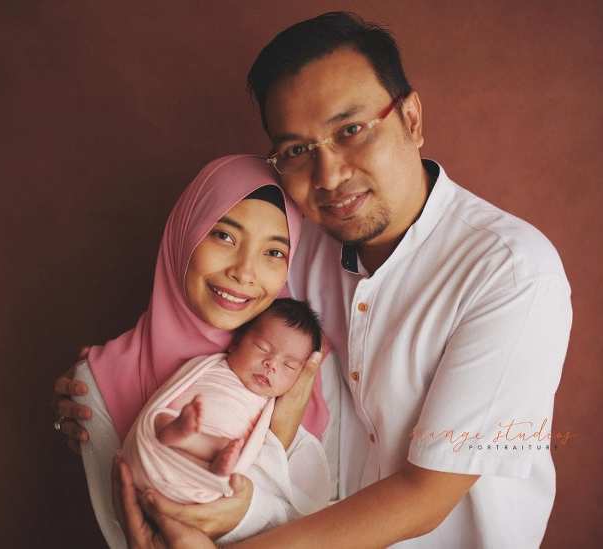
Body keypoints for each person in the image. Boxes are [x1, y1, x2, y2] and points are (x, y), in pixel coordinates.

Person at [111, 11, 573, 549]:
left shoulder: (508, 270)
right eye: (298, 151)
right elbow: (213, 350)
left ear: (412, 119)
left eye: (350, 131)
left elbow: (425, 496)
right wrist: (102, 389)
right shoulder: (295, 250)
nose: (328, 176)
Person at [58, 155, 331, 548]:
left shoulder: (302, 368)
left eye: (274, 252)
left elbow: (334, 519)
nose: (244, 271)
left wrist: (275, 448)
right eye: (224, 236)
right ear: (184, 232)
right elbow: (127, 534)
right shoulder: (96, 382)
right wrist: (255, 506)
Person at [125, 298, 324, 502]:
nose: (271, 364)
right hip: (157, 447)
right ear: (236, 342)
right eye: (262, 348)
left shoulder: (271, 411)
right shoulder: (209, 367)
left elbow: (265, 460)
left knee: (230, 451)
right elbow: (166, 392)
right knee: (159, 419)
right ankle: (184, 436)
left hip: (198, 475)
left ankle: (200, 450)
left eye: (288, 366)